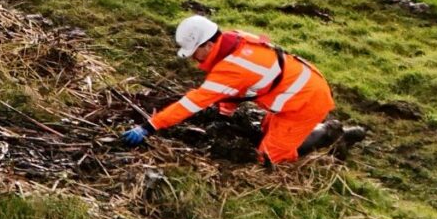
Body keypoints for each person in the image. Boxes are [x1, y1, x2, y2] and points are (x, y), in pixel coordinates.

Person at [121, 15, 338, 165]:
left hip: (305, 102)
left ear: (207, 44)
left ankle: (330, 134)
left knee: (268, 158)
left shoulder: (230, 68)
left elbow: (192, 103)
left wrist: (150, 126)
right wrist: (225, 110)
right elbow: (239, 86)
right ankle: (313, 130)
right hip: (298, 92)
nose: (194, 59)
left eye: (195, 52)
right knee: (266, 133)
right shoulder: (233, 42)